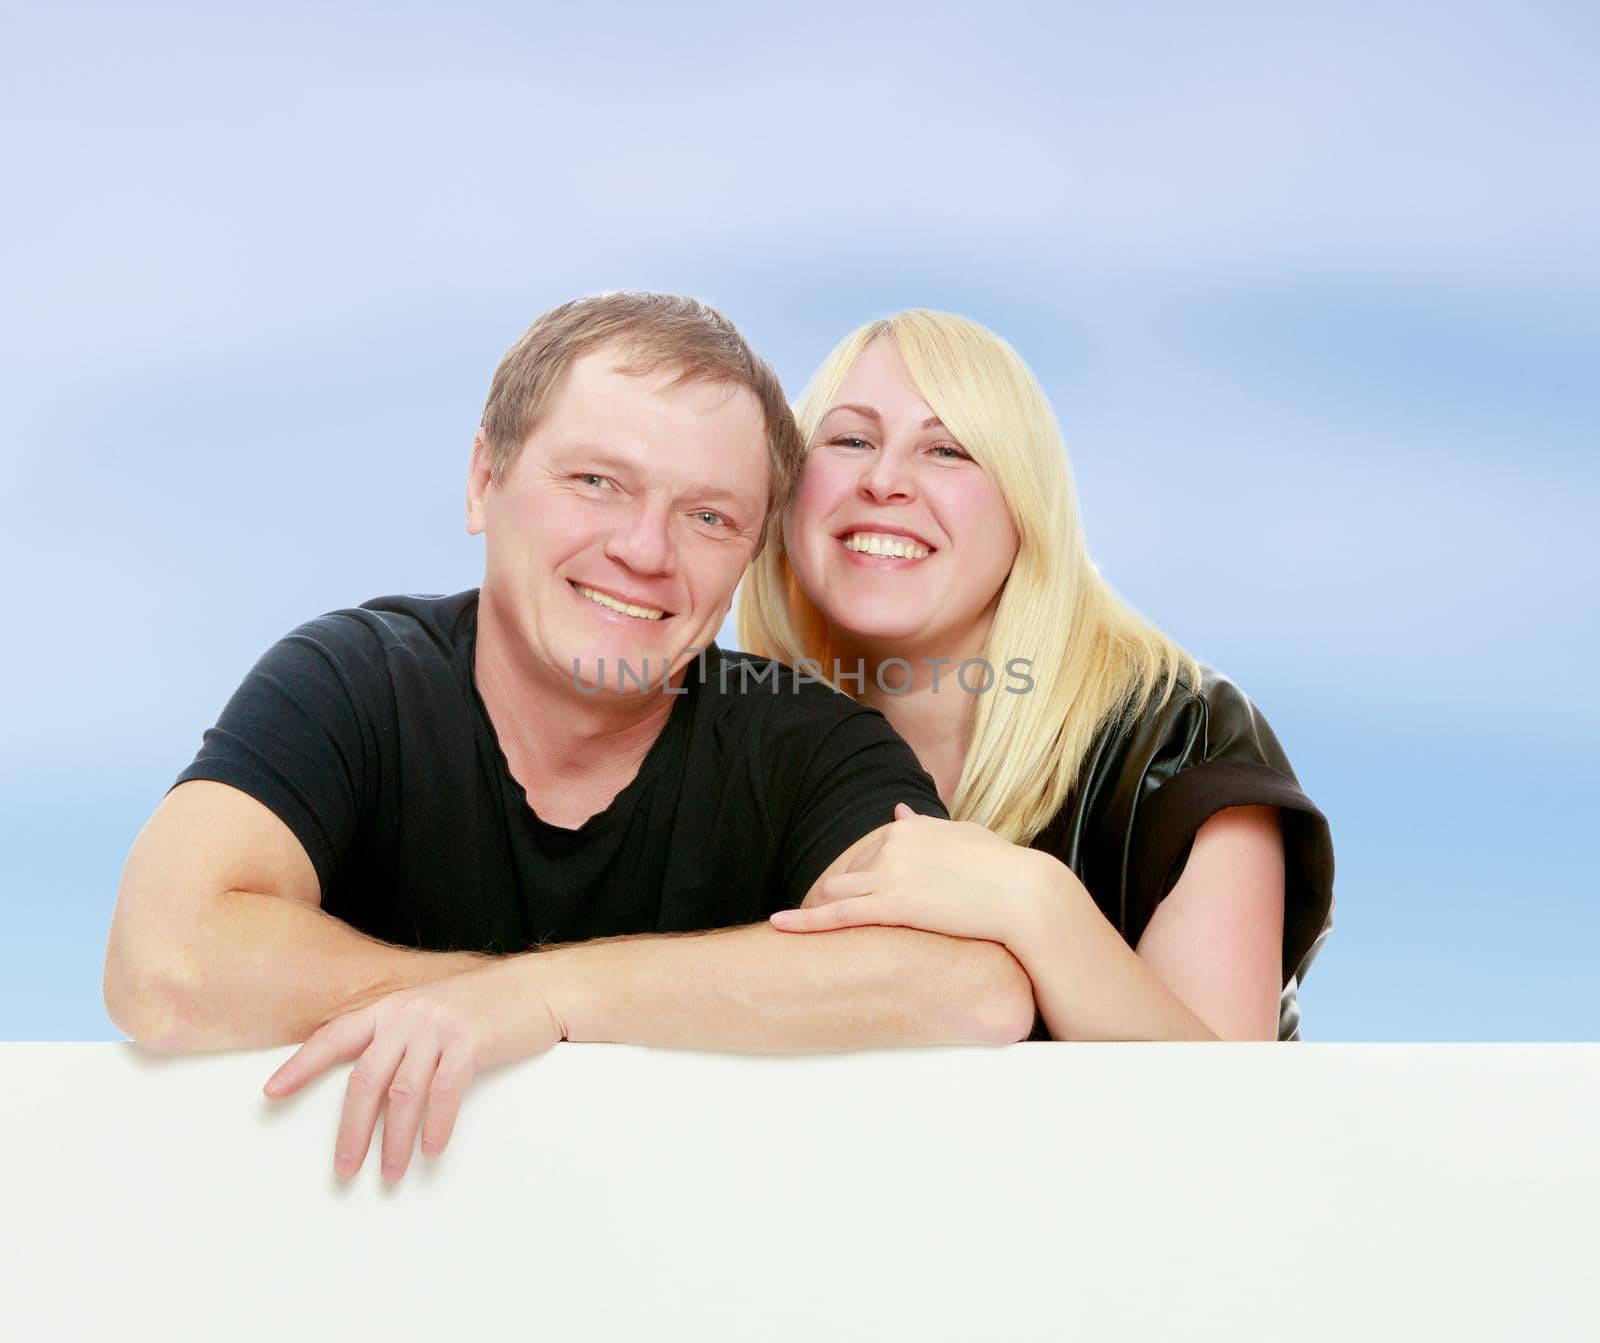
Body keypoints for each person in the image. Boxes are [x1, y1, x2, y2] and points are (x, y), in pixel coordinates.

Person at [103, 293, 1037, 1184]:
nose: (644, 549)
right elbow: (169, 967)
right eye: (596, 481)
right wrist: (519, 991)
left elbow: (970, 986)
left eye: (708, 516)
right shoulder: (355, 679)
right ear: (484, 480)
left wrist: (544, 1002)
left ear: (749, 555)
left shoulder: (806, 745)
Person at [737, 311, 1335, 1042]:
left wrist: (1038, 903)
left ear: (1028, 508)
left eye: (948, 450)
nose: (884, 479)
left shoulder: (1184, 742)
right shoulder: (732, 744)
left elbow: (1226, 1120)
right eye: (851, 439)